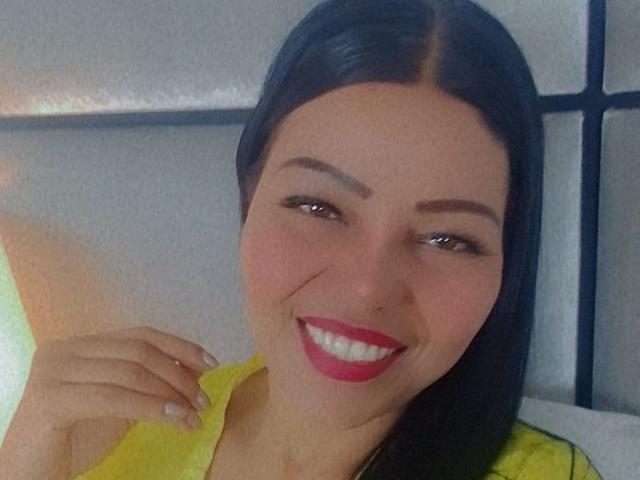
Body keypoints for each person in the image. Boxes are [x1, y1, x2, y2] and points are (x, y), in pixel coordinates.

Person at [0, 0, 603, 478]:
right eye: (319, 207)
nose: (368, 288)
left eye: (448, 240)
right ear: (250, 196)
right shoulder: (109, 430)